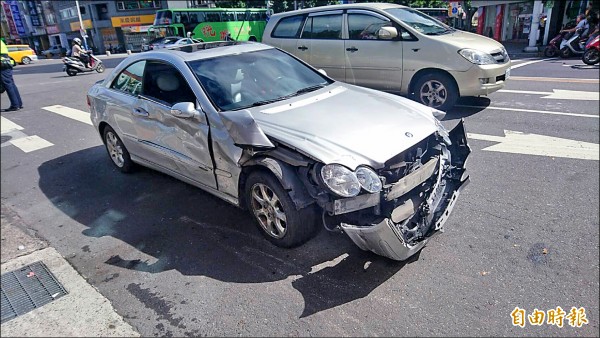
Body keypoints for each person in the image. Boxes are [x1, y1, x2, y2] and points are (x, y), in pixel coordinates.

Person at [1, 39, 23, 112]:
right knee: (11, 84)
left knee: (8, 85)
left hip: (2, 64)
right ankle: (18, 103)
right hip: (6, 63)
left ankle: (15, 105)